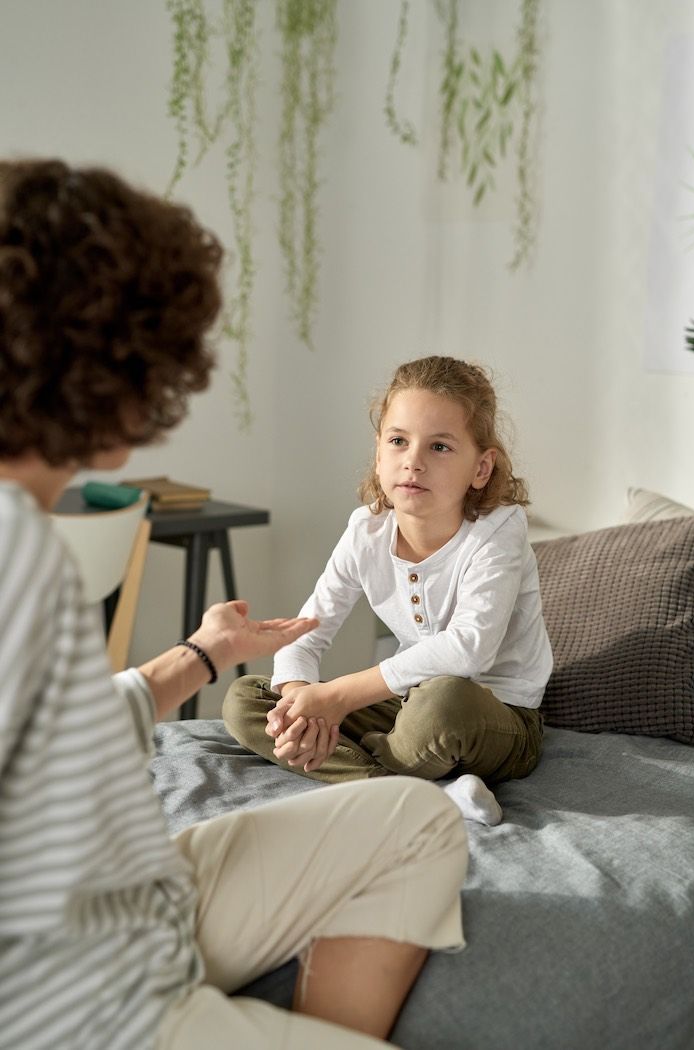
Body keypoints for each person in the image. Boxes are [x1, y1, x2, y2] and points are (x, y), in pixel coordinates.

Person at [0, 159, 467, 1050]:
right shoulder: (17, 550)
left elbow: (47, 734)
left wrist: (205, 656)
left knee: (415, 817)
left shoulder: (28, 536)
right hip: (90, 999)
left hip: (142, 911)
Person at [224, 355, 553, 826]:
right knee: (247, 700)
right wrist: (302, 702)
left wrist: (336, 698)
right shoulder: (367, 530)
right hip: (408, 703)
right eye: (398, 441)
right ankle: (423, 796)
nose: (413, 461)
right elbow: (305, 632)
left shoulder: (500, 531)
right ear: (379, 454)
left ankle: (382, 768)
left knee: (443, 700)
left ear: (481, 468)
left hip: (493, 715)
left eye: (440, 447)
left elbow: (468, 651)